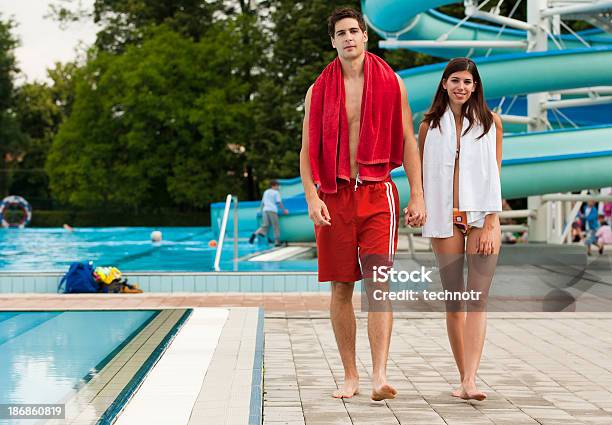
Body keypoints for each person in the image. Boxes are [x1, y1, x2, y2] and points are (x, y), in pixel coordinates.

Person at [300, 7, 426, 401]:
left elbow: (407, 139)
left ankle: (379, 375)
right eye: (341, 33)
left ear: (365, 37)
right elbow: (306, 150)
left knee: (378, 286)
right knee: (340, 288)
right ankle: (350, 375)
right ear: (333, 41)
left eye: (355, 30)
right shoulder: (317, 90)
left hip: (377, 191)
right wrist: (311, 197)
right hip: (335, 195)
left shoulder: (391, 82)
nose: (349, 37)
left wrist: (417, 194)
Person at [419, 58, 503, 401]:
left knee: (477, 300)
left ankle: (470, 380)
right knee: (455, 303)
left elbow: (495, 175)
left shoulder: (490, 123)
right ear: (444, 84)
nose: (461, 87)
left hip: (481, 219)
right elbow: (422, 179)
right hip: (444, 220)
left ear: (475, 86)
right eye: (455, 80)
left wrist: (492, 222)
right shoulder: (428, 127)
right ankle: (462, 377)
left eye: (468, 82)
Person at [249, 180, 288, 247]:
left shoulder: (266, 192)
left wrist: (260, 211)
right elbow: (279, 202)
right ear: (274, 185)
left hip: (265, 210)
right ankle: (277, 242)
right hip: (272, 210)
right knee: (275, 226)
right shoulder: (276, 192)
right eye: (277, 185)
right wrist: (284, 210)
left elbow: (262, 202)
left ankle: (255, 233)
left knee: (265, 225)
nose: (278, 187)